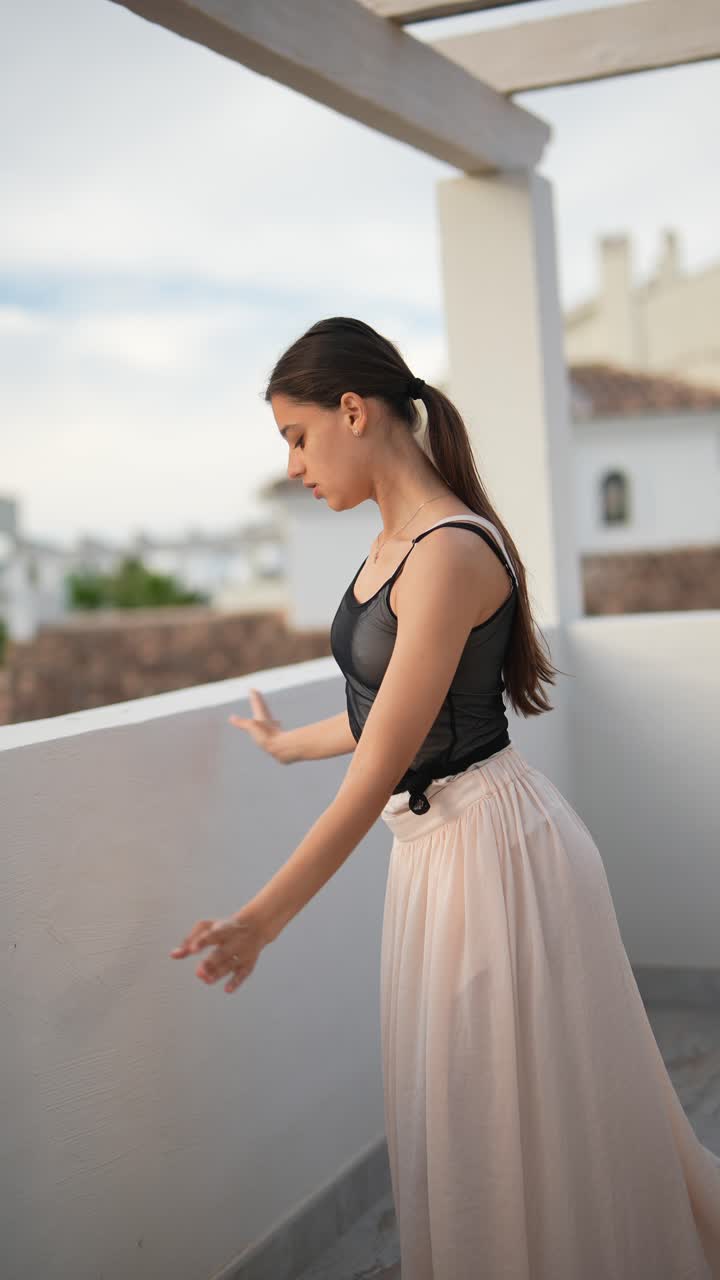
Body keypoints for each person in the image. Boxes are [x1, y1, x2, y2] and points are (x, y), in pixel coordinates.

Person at [170, 317, 720, 1278]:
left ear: (353, 411)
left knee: (510, 1109)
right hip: (440, 853)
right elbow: (391, 714)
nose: (294, 465)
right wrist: (284, 744)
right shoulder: (391, 543)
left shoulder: (449, 551)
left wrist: (261, 920)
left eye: (297, 437)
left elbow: (383, 760)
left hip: (495, 851)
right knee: (467, 1110)